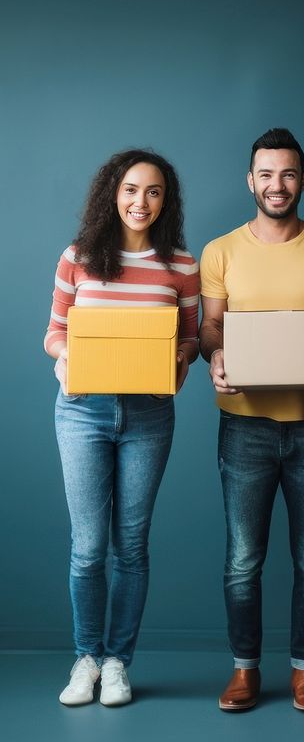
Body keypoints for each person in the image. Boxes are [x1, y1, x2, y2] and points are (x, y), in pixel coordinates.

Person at [199, 127, 304, 713]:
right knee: (244, 559)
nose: (277, 185)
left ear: (303, 180)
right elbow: (210, 328)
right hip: (245, 425)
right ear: (250, 180)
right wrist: (215, 354)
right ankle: (245, 671)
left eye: (288, 174)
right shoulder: (220, 251)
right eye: (266, 174)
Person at [44, 148, 199, 707]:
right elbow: (54, 333)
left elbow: (190, 339)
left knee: (130, 546)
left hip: (149, 415)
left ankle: (117, 663)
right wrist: (68, 362)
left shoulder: (181, 265)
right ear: (113, 193)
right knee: (88, 549)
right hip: (83, 409)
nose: (142, 201)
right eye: (132, 190)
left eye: (154, 192)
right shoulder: (79, 256)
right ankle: (85, 658)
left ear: (166, 201)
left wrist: (179, 362)